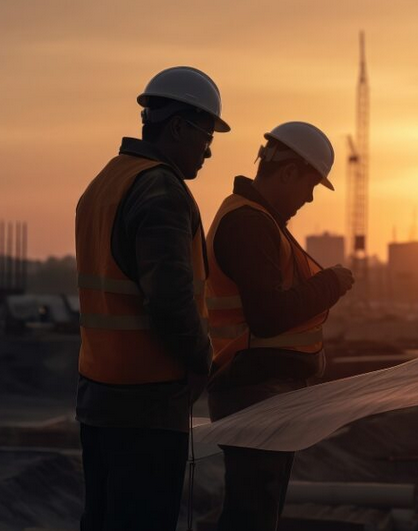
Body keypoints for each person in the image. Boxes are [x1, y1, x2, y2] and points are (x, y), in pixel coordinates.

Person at [75, 66, 230, 531]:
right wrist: (202, 361)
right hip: (146, 404)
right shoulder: (161, 189)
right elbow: (170, 300)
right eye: (207, 136)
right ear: (179, 127)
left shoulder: (105, 183)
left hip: (99, 395)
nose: (208, 150)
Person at [205, 122, 355, 531]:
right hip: (254, 392)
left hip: (260, 391)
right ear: (289, 172)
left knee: (256, 510)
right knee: (252, 515)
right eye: (310, 186)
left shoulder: (256, 220)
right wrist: (331, 283)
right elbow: (268, 316)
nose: (308, 198)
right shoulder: (250, 225)